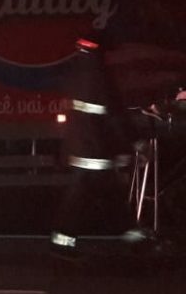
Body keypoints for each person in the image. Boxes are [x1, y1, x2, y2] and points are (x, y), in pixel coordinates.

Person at [50, 36, 138, 260]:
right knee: (111, 199)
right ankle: (135, 239)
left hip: (80, 151)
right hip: (98, 152)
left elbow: (74, 117)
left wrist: (66, 149)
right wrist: (127, 145)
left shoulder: (74, 75)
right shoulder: (100, 77)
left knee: (81, 199)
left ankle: (62, 243)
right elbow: (113, 116)